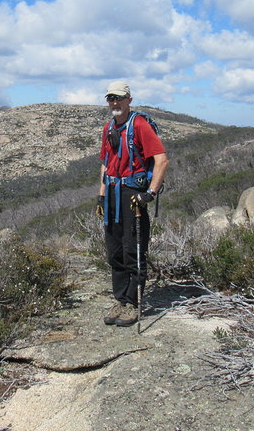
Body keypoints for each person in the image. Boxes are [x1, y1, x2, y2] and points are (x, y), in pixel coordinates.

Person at [96, 81, 169, 327]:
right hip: (114, 192)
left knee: (133, 249)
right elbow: (105, 163)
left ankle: (133, 303)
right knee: (114, 250)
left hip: (132, 194)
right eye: (110, 98)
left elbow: (161, 160)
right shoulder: (108, 128)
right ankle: (120, 299)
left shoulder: (139, 125)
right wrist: (101, 195)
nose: (114, 103)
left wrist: (149, 193)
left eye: (119, 98)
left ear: (129, 99)